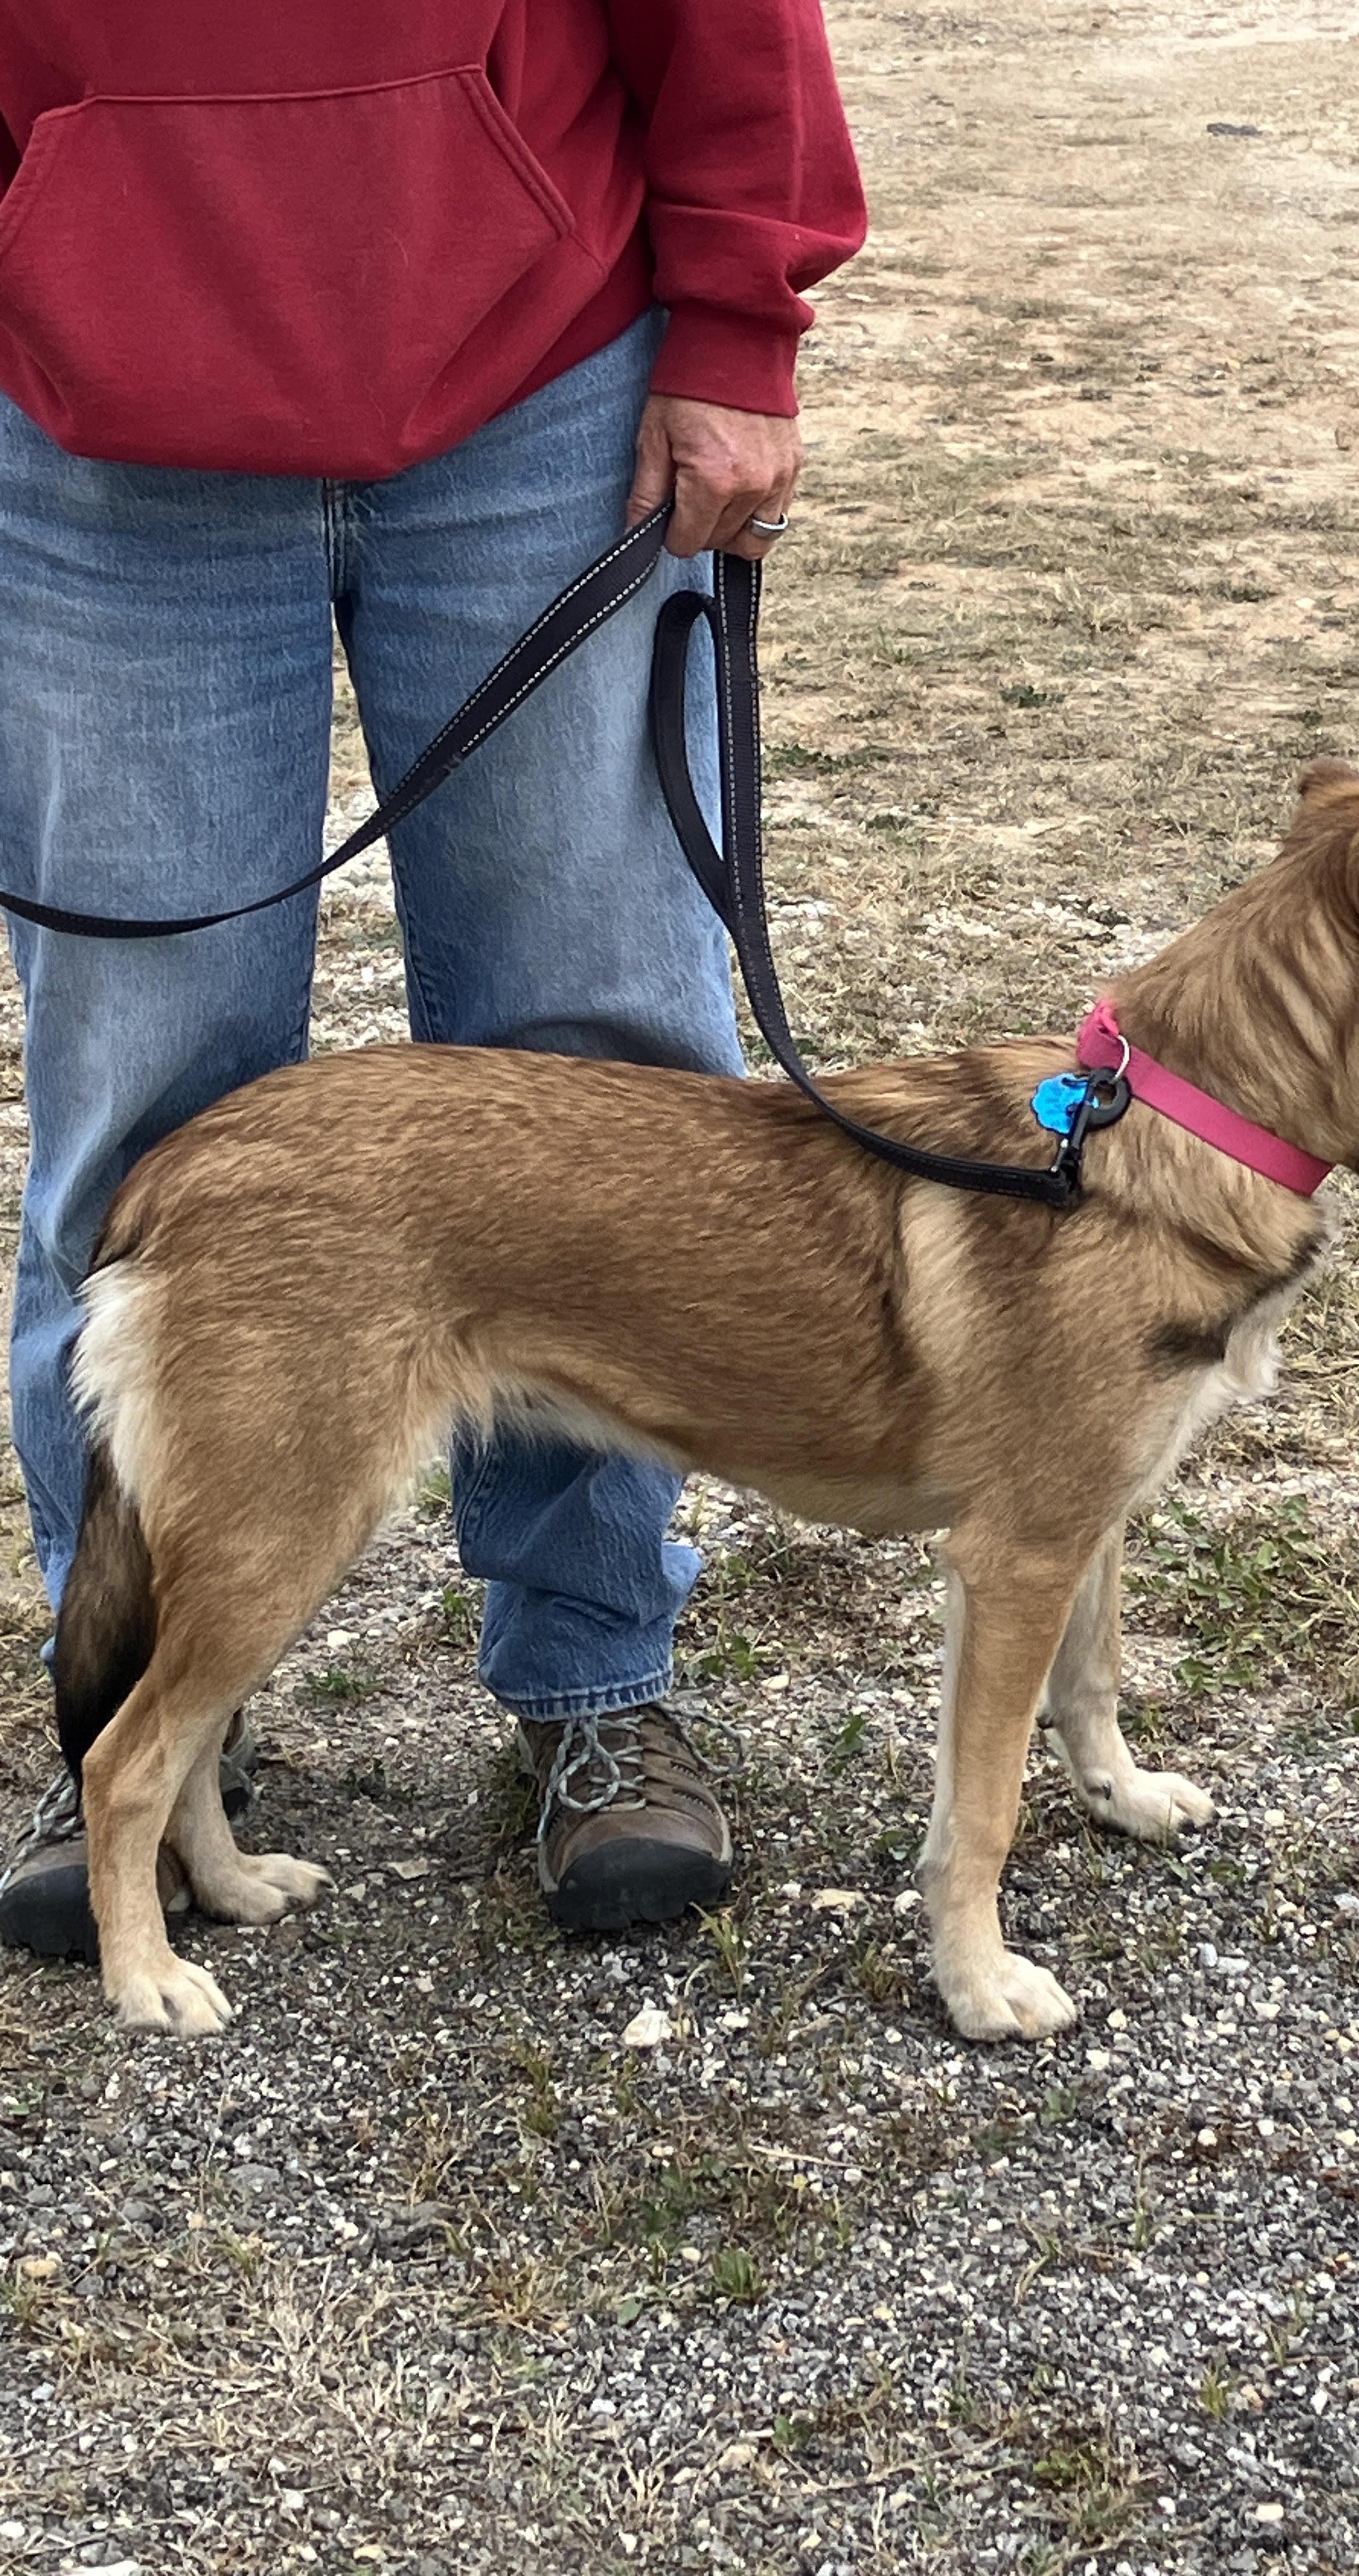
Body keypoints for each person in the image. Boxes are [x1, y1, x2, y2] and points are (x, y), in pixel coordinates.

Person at [0, 6, 865, 1959]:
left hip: (538, 402)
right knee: (137, 1122)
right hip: (87, 447)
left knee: (603, 1090)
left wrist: (736, 328)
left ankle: (594, 1685)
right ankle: (135, 1716)